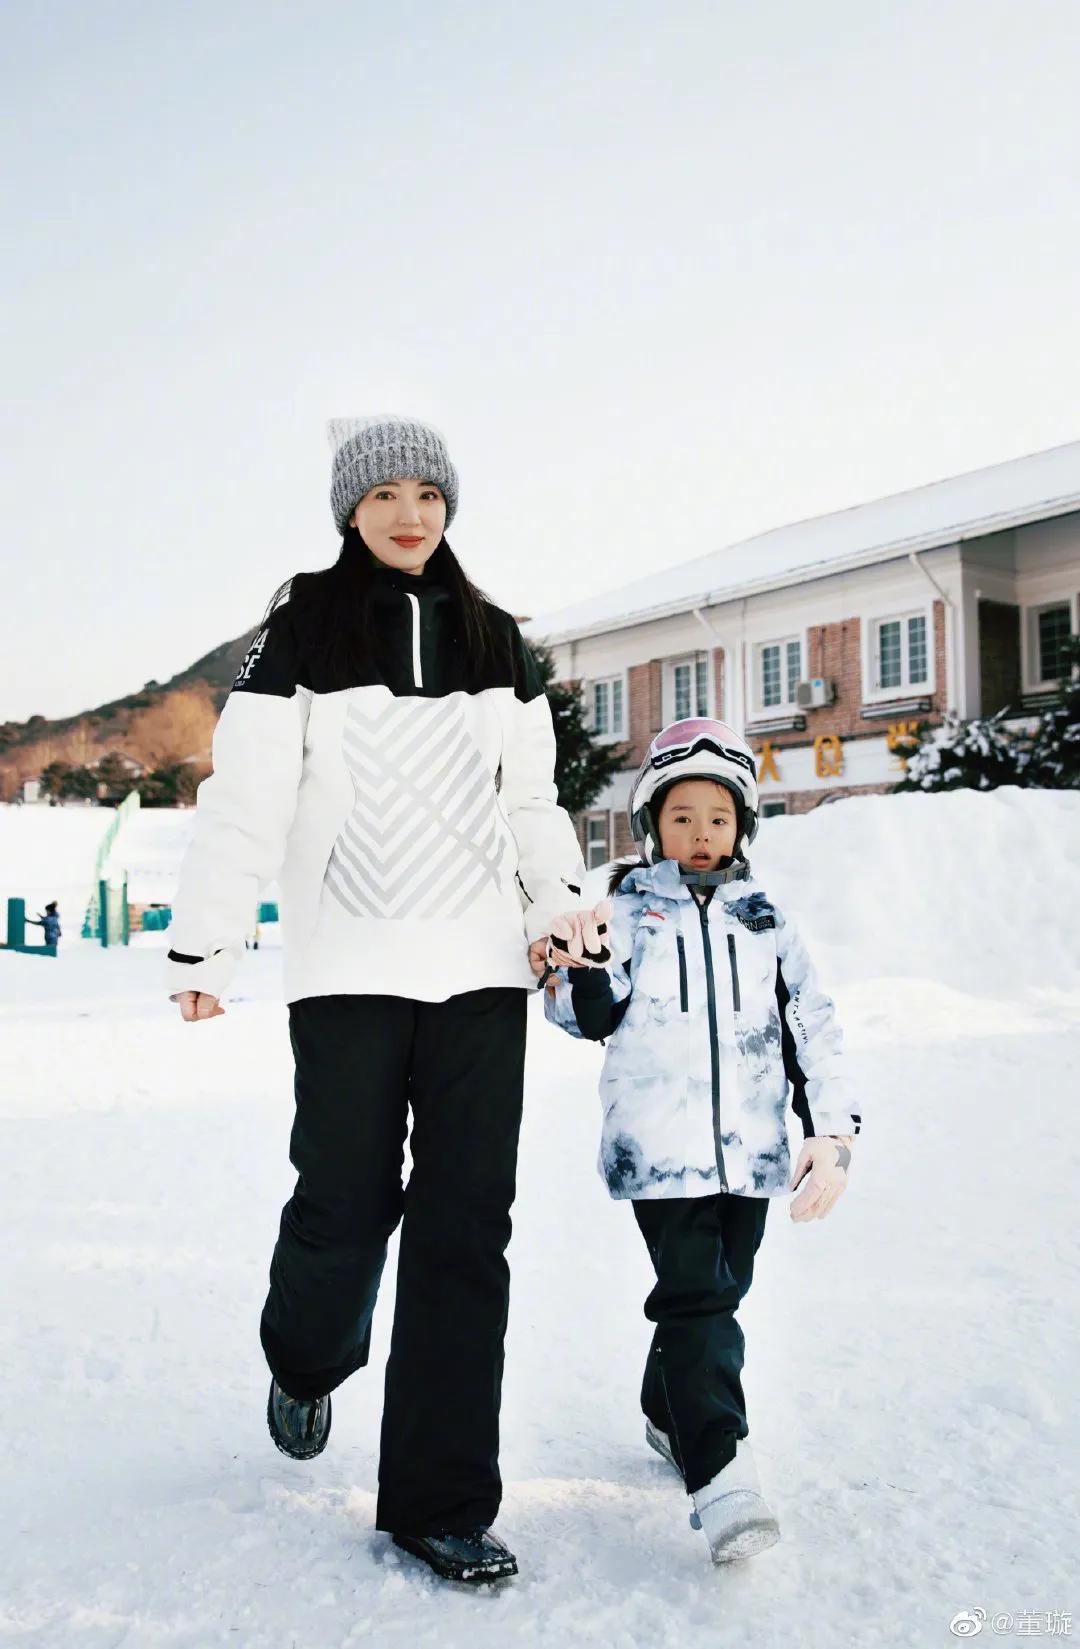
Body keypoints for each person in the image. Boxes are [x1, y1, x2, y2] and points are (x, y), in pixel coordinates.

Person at [164, 415, 597, 1585]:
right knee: (345, 1202)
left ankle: (439, 1498)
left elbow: (532, 802)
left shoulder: (496, 637)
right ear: (350, 507)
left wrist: (559, 907)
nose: (411, 512)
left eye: (429, 492)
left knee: (467, 1232)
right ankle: (304, 1358)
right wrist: (206, 946)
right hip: (348, 970)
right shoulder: (302, 624)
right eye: (387, 492)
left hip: (481, 979)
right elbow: (247, 797)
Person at [541, 717, 861, 1566]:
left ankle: (666, 1410)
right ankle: (722, 1473)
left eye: (718, 817)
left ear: (742, 826)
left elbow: (811, 1027)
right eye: (681, 816)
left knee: (721, 1289)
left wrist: (833, 1131)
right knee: (699, 1299)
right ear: (654, 823)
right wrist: (584, 963)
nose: (700, 832)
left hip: (750, 1150)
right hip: (658, 1148)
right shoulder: (627, 908)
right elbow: (583, 1017)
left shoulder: (768, 918)